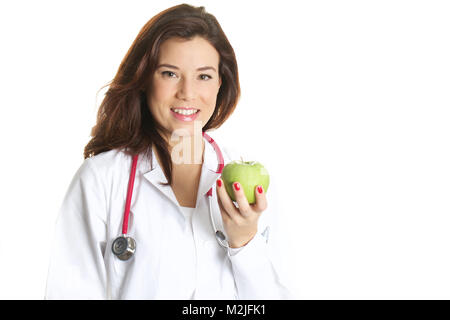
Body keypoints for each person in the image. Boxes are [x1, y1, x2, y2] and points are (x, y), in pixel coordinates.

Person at [45, 3, 293, 300]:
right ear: (144, 79)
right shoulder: (101, 178)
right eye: (170, 74)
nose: (187, 92)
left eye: (203, 76)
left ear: (220, 84)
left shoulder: (256, 194)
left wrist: (244, 244)